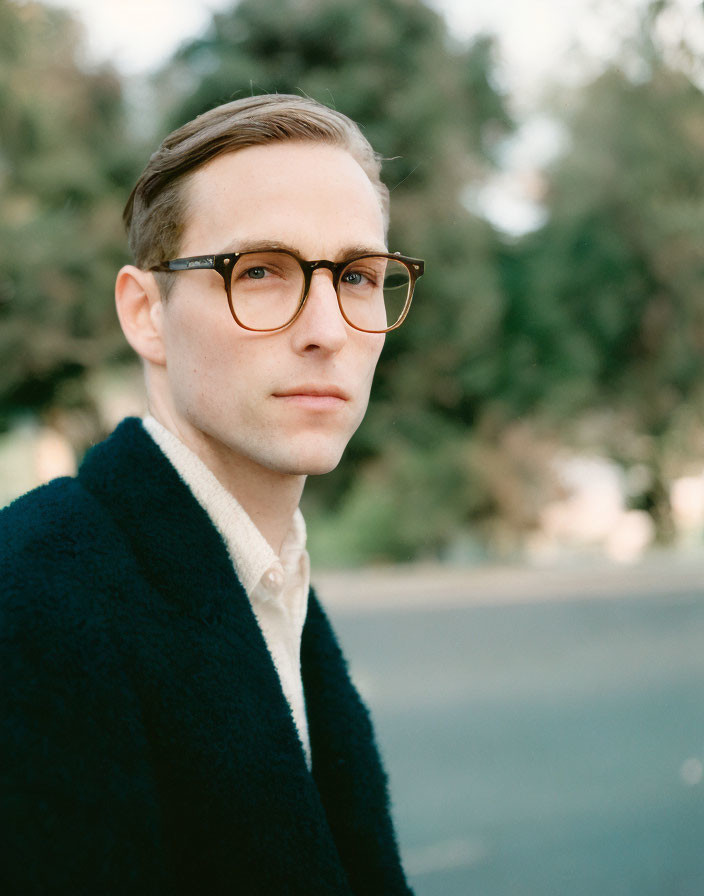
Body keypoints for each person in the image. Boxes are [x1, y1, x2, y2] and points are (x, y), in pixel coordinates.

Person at [0, 94, 424, 894]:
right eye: (260, 271)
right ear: (145, 314)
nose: (328, 328)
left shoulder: (266, 580)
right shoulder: (30, 603)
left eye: (360, 276)